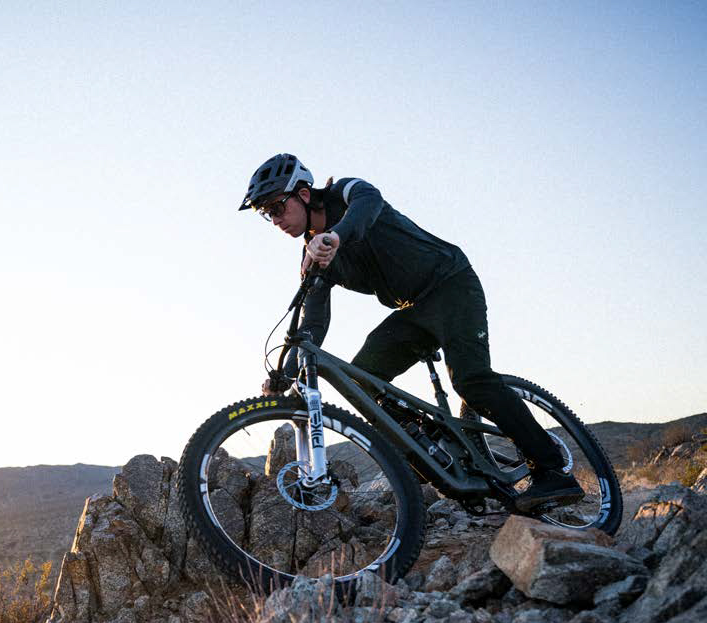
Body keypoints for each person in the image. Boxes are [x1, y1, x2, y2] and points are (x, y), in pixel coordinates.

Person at [240, 153, 582, 512]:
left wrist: (335, 237)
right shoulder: (313, 257)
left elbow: (368, 206)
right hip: (412, 310)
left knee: (472, 381)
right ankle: (427, 451)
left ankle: (552, 471)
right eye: (267, 213)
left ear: (305, 194)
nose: (275, 219)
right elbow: (312, 324)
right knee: (362, 383)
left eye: (278, 206)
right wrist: (287, 371)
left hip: (451, 284)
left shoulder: (346, 194)